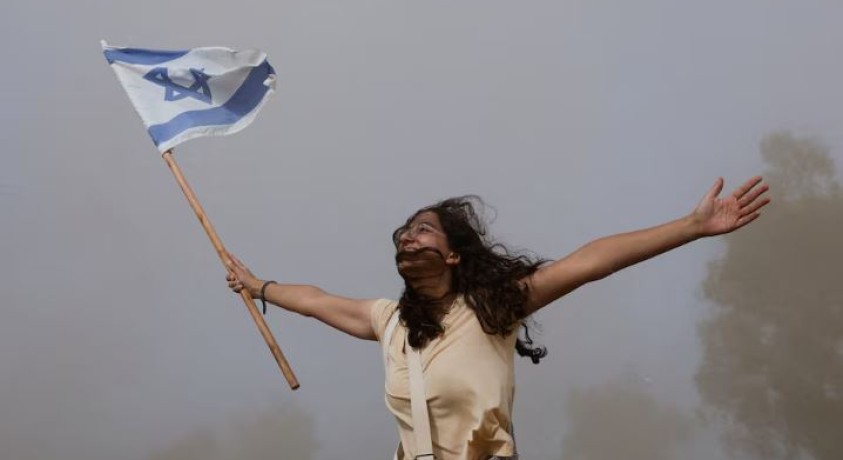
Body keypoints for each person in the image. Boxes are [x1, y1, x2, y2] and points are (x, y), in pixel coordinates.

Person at [226, 176, 770, 460]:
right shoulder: (385, 320)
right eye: (402, 233)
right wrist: (258, 286)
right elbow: (317, 299)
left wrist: (690, 226)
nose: (407, 236)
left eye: (422, 229)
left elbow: (590, 261)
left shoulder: (492, 308)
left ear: (454, 253)